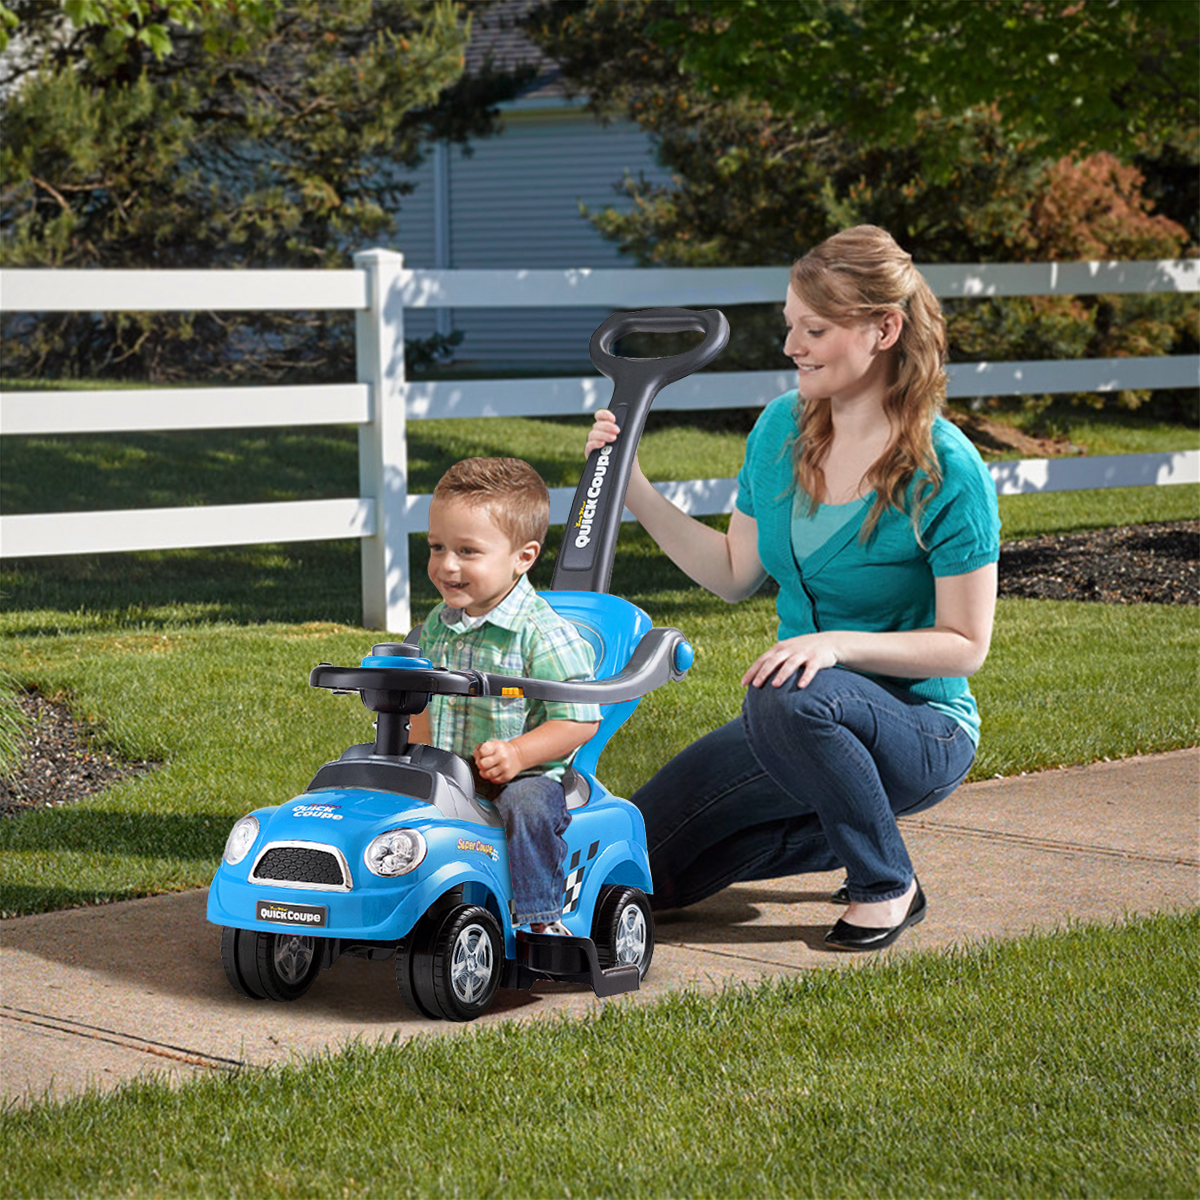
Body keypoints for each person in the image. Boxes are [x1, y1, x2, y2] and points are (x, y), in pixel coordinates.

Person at [584, 225, 1000, 951]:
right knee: (640, 874)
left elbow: (965, 646)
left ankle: (884, 883)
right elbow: (732, 573)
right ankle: (847, 833)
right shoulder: (780, 431)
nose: (791, 347)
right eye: (790, 327)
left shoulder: (946, 471)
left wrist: (836, 645)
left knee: (787, 689)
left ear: (884, 329)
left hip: (919, 727)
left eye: (813, 328)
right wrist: (634, 487)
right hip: (800, 724)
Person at [408, 457, 601, 935]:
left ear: (524, 557)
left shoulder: (541, 633)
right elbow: (422, 701)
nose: (446, 565)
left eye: (468, 551)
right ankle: (406, 903)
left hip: (527, 776)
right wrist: (413, 756)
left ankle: (540, 919)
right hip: (452, 771)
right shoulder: (438, 625)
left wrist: (517, 754)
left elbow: (579, 720)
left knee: (527, 805)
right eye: (437, 547)